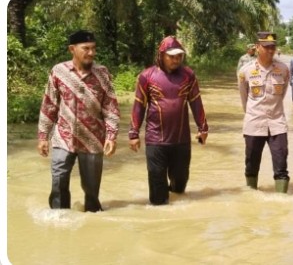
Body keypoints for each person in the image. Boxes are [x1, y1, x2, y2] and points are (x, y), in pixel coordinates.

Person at [37, 30, 120, 212]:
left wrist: (111, 136)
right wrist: (43, 136)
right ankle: (59, 221)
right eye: (86, 48)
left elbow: (111, 108)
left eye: (93, 48)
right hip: (63, 138)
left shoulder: (102, 74)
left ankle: (92, 226)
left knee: (91, 193)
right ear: (72, 49)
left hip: (92, 140)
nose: (91, 53)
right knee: (58, 183)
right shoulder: (59, 72)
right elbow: (49, 104)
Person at [128, 36, 209, 205]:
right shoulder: (147, 76)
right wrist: (133, 134)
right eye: (171, 56)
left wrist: (203, 128)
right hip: (155, 141)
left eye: (179, 56)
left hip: (181, 141)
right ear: (161, 55)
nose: (176, 60)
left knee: (180, 186)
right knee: (158, 194)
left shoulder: (188, 75)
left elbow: (196, 102)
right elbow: (138, 106)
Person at [238, 31, 291, 193]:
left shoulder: (283, 69)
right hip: (254, 123)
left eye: (273, 47)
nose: (270, 50)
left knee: (281, 164)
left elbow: (282, 95)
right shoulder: (245, 71)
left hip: (277, 123)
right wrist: (254, 113)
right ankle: (251, 200)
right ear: (257, 47)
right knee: (251, 165)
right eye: (266, 47)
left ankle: (281, 203)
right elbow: (244, 98)